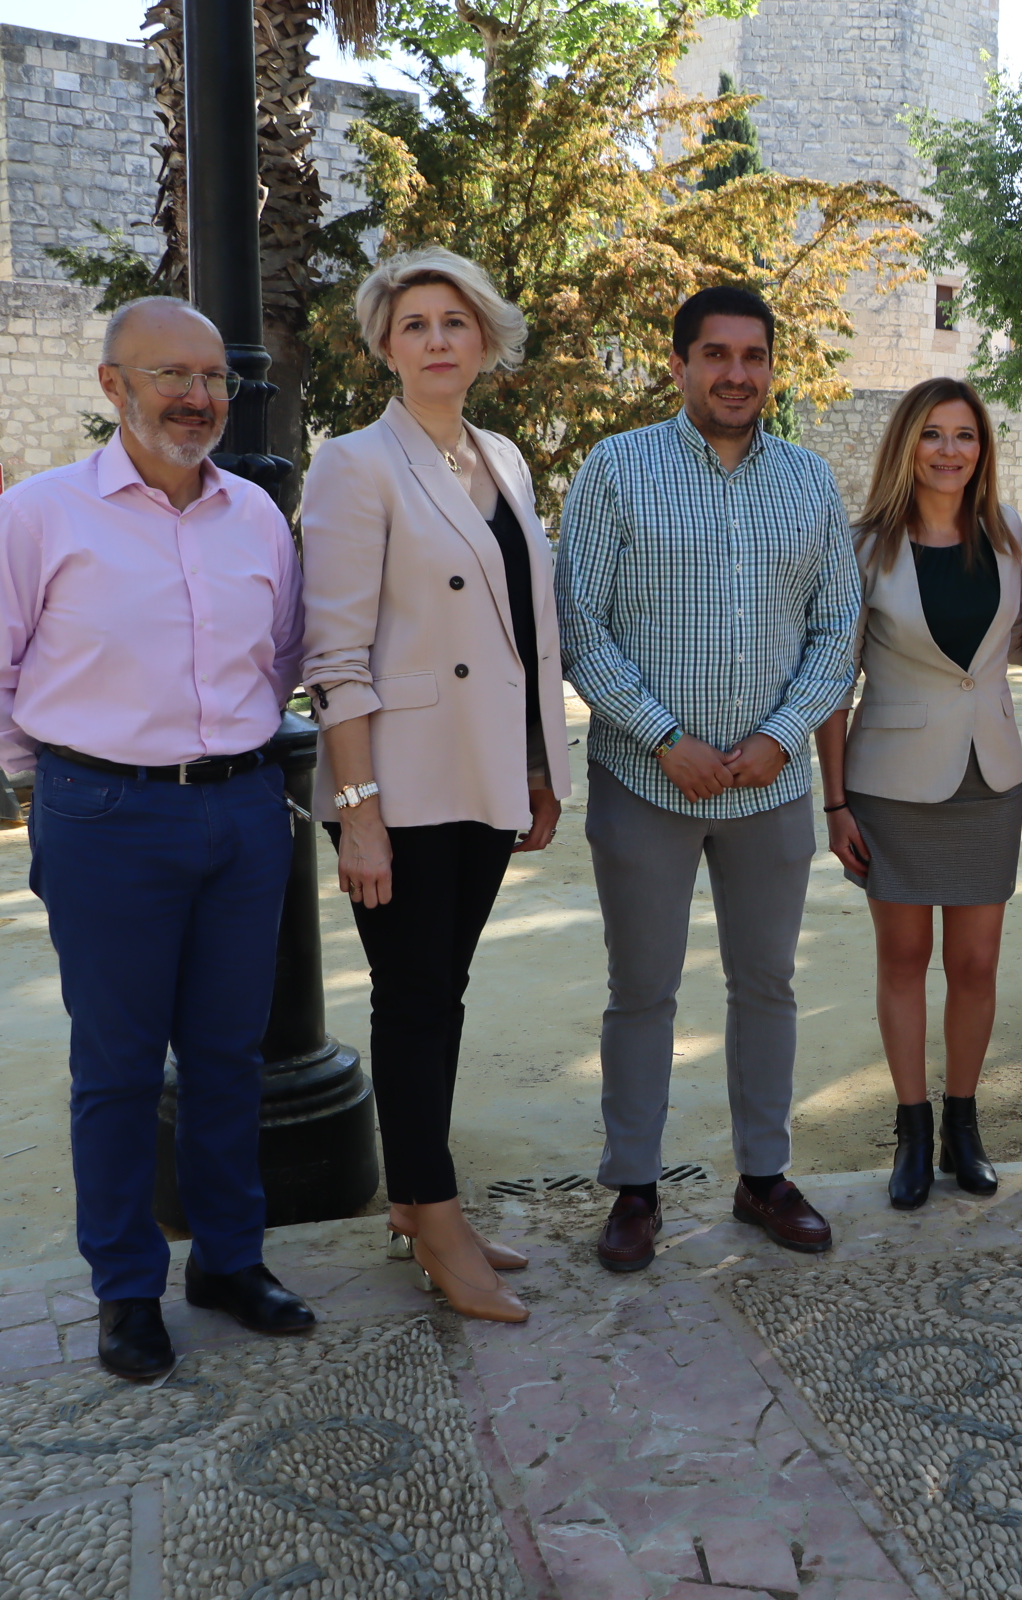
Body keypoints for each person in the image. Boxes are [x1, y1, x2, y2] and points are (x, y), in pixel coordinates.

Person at [0, 297, 317, 1378]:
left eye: (212, 378)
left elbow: (279, 659)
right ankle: (126, 1287)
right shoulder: (43, 516)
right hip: (103, 817)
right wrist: (50, 777)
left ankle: (229, 1262)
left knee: (231, 1057)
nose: (196, 397)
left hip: (242, 813)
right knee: (116, 1067)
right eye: (169, 375)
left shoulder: (255, 516)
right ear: (114, 386)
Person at [556, 284, 860, 1265]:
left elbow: (835, 631)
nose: (737, 373)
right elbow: (580, 628)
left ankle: (763, 1178)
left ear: (773, 367)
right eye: (716, 355)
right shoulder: (615, 470)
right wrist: (662, 738)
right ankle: (635, 1187)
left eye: (754, 356)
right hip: (647, 783)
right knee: (641, 988)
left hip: (770, 788)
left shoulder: (811, 482)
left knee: (766, 982)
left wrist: (780, 737)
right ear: (679, 363)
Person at [298, 248, 569, 1324]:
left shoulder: (502, 456)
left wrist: (542, 764)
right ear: (385, 346)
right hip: (399, 784)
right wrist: (358, 816)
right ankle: (438, 1213)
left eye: (455, 320)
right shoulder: (354, 463)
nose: (438, 339)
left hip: (488, 768)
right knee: (414, 1002)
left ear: (486, 337)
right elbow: (336, 653)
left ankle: (417, 1198)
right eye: (415, 324)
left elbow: (524, 632)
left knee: (439, 997)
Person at [814, 379, 1022, 1209]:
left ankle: (962, 1129)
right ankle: (909, 1129)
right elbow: (833, 686)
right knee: (903, 958)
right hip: (891, 787)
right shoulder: (863, 546)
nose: (950, 451)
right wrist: (833, 805)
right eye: (933, 435)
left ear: (983, 449)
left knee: (975, 964)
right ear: (907, 444)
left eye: (965, 435)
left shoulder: (1004, 535)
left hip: (989, 780)